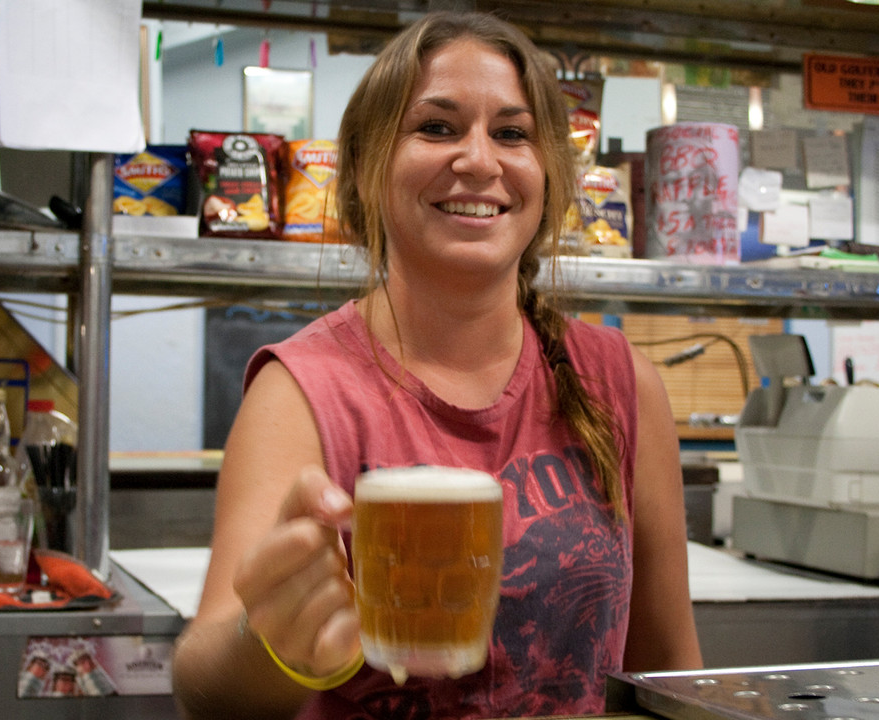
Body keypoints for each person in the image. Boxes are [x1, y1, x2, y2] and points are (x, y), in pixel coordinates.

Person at [172, 11, 703, 719]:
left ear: (548, 174)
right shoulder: (302, 389)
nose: (479, 160)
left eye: (512, 134)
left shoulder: (620, 381)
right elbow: (206, 690)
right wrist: (266, 638)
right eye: (437, 127)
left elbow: (669, 675)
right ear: (365, 166)